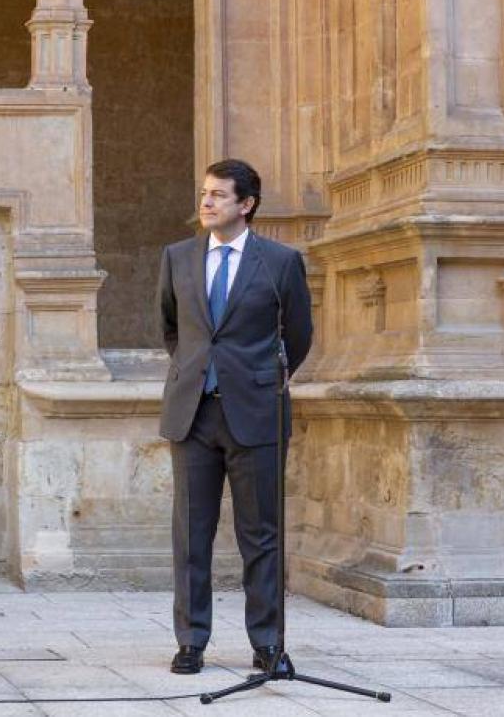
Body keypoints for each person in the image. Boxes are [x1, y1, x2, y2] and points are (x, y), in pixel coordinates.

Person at [155, 158, 313, 675]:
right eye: (204, 193)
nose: (206, 202)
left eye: (218, 195)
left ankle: (267, 643)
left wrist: (263, 376)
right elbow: (173, 330)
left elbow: (299, 334)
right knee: (191, 534)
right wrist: (197, 373)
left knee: (261, 535)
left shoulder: (280, 262)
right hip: (193, 416)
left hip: (258, 414)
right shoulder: (177, 257)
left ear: (246, 205)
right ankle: (191, 641)